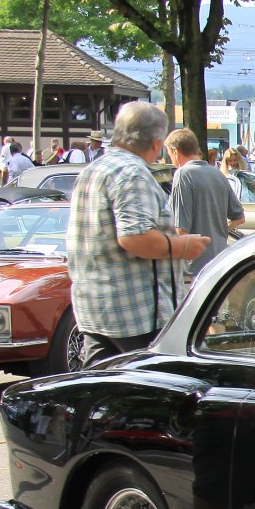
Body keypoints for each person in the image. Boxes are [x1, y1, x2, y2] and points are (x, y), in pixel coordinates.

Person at [68, 101, 211, 365]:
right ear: (156, 143)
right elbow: (134, 237)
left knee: (102, 383)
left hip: (95, 306)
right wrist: (182, 246)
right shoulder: (132, 173)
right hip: (135, 313)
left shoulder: (93, 170)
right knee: (143, 385)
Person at [165, 127, 244, 285]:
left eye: (169, 153)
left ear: (175, 151)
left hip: (193, 267)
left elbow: (180, 229)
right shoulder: (218, 174)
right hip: (219, 260)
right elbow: (240, 218)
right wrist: (218, 231)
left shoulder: (183, 174)